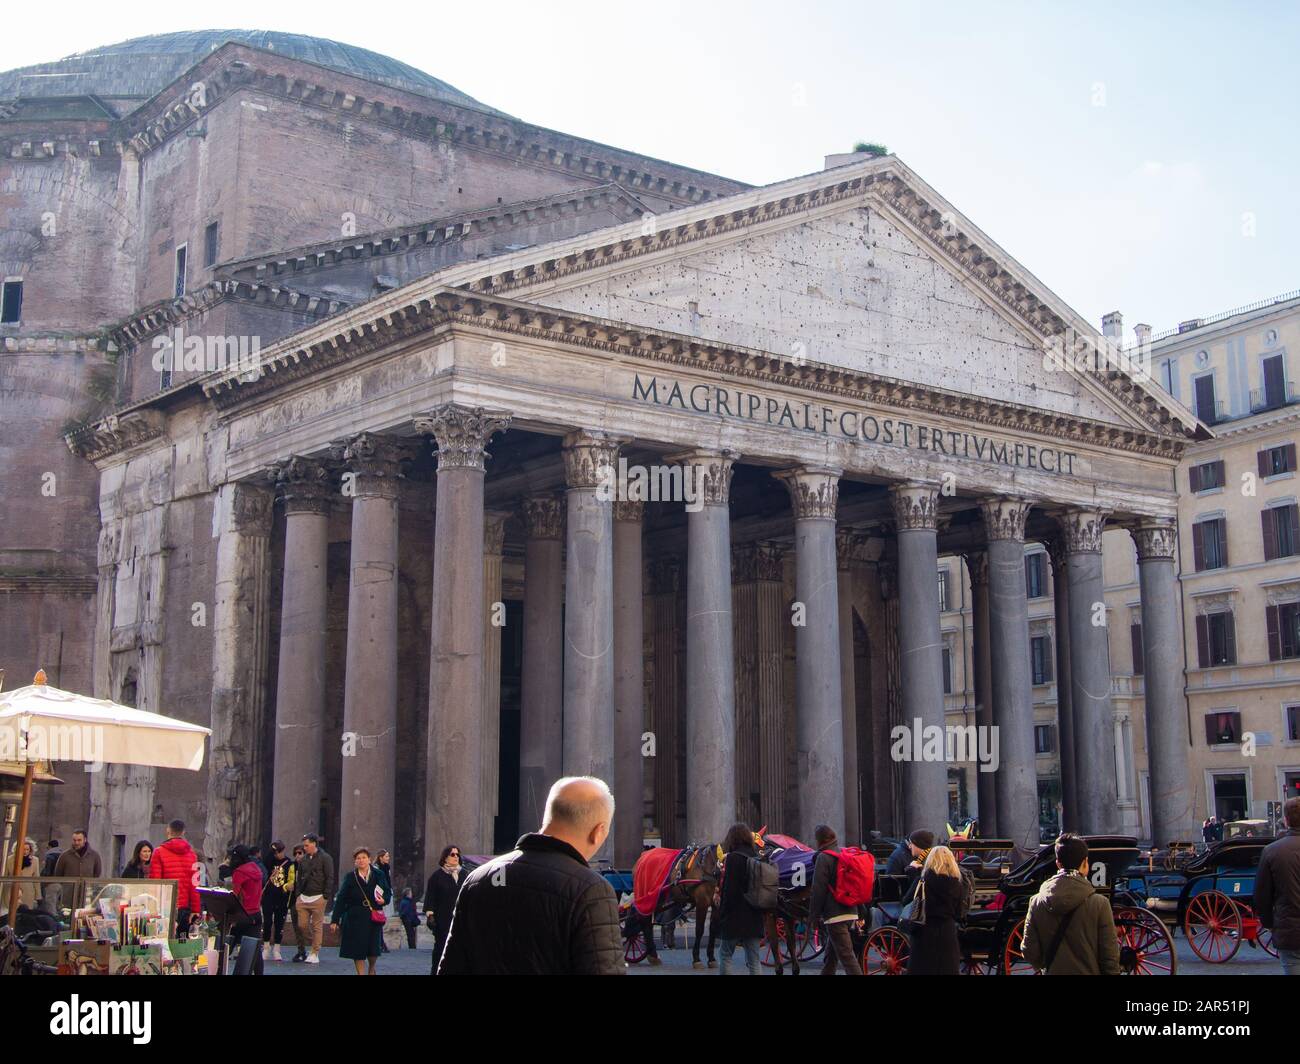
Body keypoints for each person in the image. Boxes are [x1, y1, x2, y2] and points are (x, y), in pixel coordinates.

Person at [438, 776, 623, 975]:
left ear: (548, 817)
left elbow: (450, 968)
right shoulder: (591, 890)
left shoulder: (477, 879)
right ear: (599, 831)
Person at [1021, 833, 1121, 975]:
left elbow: (1029, 949)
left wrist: (1046, 966)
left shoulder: (1036, 902)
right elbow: (1109, 955)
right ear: (1085, 863)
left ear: (1057, 863)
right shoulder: (1100, 904)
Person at [808, 824, 864, 975]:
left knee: (847, 957)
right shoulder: (843, 853)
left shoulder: (823, 857)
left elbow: (818, 889)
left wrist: (813, 916)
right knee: (831, 956)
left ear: (819, 840)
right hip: (851, 910)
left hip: (834, 914)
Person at [1256, 796, 1300, 975]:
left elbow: (1262, 895)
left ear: (1286, 820)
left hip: (1289, 931)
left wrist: (1269, 923)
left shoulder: (1272, 851)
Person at [714, 821, 765, 975]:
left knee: (725, 955)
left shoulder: (733, 859)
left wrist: (722, 913)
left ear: (732, 839)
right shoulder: (757, 858)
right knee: (754, 961)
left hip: (734, 917)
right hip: (754, 916)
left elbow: (729, 891)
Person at [906, 845, 964, 975]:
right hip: (947, 933)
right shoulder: (957, 883)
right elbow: (959, 912)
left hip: (925, 932)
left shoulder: (924, 880)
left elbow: (908, 901)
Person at [330, 847, 387, 975]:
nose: (361, 861)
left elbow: (387, 892)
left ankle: (371, 969)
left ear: (369, 859)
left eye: (364, 858)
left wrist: (384, 900)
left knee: (373, 950)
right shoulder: (351, 877)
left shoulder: (379, 875)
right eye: (358, 858)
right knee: (358, 949)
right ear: (355, 861)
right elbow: (341, 898)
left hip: (373, 915)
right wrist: (335, 920)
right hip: (355, 917)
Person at [149, 819, 200, 938]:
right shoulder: (192, 855)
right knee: (182, 946)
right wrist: (195, 910)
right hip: (184, 908)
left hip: (165, 908)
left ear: (168, 831)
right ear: (183, 832)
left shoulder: (159, 852)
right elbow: (195, 885)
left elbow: (155, 883)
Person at [422, 844, 465, 973]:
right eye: (452, 854)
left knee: (460, 952)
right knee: (441, 951)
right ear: (445, 857)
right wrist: (430, 915)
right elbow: (430, 897)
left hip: (461, 920)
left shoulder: (465, 875)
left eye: (457, 854)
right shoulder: (436, 876)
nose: (456, 857)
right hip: (443, 920)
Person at [295, 833, 334, 965]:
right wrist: (298, 894)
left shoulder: (325, 858)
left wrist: (325, 896)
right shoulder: (304, 860)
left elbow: (329, 877)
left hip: (318, 897)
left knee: (317, 926)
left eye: (306, 845)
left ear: (314, 844)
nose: (304, 848)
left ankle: (314, 952)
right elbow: (299, 877)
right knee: (302, 925)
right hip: (303, 897)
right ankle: (314, 942)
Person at [228, 844, 265, 975]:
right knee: (255, 949)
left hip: (243, 914)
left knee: (227, 946)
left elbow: (235, 896)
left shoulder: (239, 872)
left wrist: (230, 916)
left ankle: (216, 969)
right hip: (256, 913)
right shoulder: (256, 869)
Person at [260, 841, 294, 962]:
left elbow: (291, 878)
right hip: (268, 896)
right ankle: (266, 947)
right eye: (275, 852)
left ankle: (277, 949)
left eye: (279, 851)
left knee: (279, 923)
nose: (277, 854)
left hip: (282, 897)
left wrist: (289, 886)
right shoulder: (268, 861)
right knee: (267, 921)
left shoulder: (289, 863)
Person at [287, 844, 308, 962]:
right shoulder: (292, 866)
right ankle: (301, 950)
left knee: (304, 926)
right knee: (296, 926)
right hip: (294, 899)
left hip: (306, 899)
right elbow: (287, 881)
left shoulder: (309, 866)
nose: (297, 856)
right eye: (295, 854)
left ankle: (312, 950)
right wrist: (286, 886)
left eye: (300, 853)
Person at [8, 838, 39, 908]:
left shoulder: (35, 860)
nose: (25, 851)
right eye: (23, 849)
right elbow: (6, 875)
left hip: (28, 891)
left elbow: (36, 878)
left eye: (27, 849)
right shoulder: (10, 859)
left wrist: (38, 896)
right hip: (13, 890)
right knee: (12, 912)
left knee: (26, 913)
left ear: (30, 850)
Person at [374, 849, 394, 953]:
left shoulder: (387, 868)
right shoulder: (376, 868)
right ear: (381, 857)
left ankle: (380, 942)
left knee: (382, 919)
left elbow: (388, 881)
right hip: (378, 895)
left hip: (386, 894)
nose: (388, 858)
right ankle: (380, 943)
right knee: (379, 919)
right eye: (386, 856)